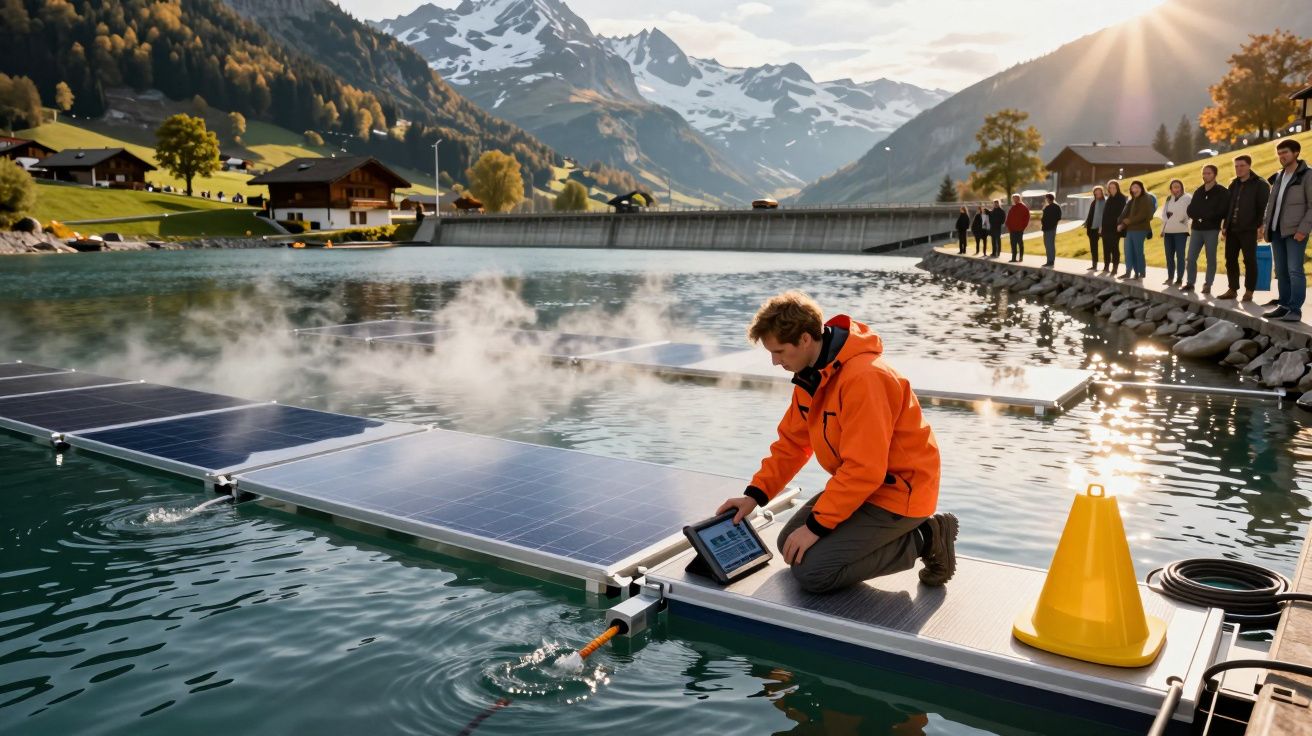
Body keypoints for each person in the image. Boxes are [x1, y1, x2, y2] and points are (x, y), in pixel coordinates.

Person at [716, 292, 956, 594]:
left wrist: (817, 528)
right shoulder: (812, 375)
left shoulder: (865, 379)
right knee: (788, 543)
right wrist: (754, 496)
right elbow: (792, 444)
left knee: (813, 572)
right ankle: (896, 536)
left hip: (901, 493)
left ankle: (926, 537)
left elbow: (864, 468)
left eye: (778, 352)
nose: (775, 362)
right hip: (866, 486)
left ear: (804, 339)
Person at [1260, 138, 1312, 322]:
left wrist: (1303, 229)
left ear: (1296, 153)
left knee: (1294, 270)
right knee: (1281, 271)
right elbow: (1271, 204)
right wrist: (1265, 226)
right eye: (1279, 153)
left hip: (1295, 232)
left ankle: (1295, 310)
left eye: (1285, 153)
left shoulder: (1307, 175)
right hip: (1276, 231)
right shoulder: (1279, 176)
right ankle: (1284, 305)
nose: (1281, 156)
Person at [1219, 155, 1270, 302]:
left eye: (1241, 166)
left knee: (1249, 260)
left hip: (1249, 229)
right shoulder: (1233, 184)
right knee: (1230, 260)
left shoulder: (1260, 184)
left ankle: (1249, 291)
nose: (1238, 169)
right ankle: (1232, 289)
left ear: (1249, 166)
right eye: (1236, 166)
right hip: (1232, 229)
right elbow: (1228, 207)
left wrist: (1260, 227)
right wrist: (1224, 226)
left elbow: (1263, 208)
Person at [1185, 165, 1228, 294]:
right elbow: (1191, 209)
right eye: (1204, 173)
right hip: (1196, 230)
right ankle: (1190, 283)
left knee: (1211, 258)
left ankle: (1208, 284)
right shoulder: (1199, 191)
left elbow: (1222, 210)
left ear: (1215, 174)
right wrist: (1200, 217)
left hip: (1212, 230)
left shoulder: (1222, 191)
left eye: (1208, 173)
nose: (1205, 176)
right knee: (1191, 258)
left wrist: (1203, 216)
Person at [1117, 180, 1153, 280]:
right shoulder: (1131, 200)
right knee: (1128, 251)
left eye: (1137, 187)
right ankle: (1128, 272)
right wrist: (1121, 224)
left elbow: (1144, 215)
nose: (1134, 189)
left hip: (1140, 229)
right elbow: (1125, 214)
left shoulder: (1146, 198)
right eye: (1133, 187)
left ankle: (1140, 273)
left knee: (1138, 252)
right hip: (1130, 230)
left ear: (1141, 188)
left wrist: (1126, 222)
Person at [1160, 179, 1190, 286]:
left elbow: (1188, 213)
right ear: (1171, 189)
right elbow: (1164, 215)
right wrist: (1162, 230)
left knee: (1180, 256)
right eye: (1173, 187)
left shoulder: (1187, 198)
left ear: (1181, 187)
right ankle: (1170, 277)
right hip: (1168, 232)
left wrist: (1182, 219)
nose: (1176, 189)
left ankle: (1180, 278)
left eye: (1178, 186)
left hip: (1181, 231)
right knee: (1169, 256)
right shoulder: (1169, 198)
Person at [1100, 180, 1127, 275]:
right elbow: (1104, 214)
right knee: (1106, 247)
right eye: (1110, 187)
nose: (1112, 189)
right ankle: (1106, 266)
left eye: (1113, 187)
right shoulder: (1109, 199)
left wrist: (1120, 225)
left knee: (1114, 248)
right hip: (1106, 227)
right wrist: (1101, 227)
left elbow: (1122, 214)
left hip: (1115, 228)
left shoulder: (1122, 198)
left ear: (1117, 188)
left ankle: (1115, 268)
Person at [1083, 186, 1106, 269]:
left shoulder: (1104, 202)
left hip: (1098, 228)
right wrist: (1086, 223)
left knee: (1101, 247)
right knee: (1093, 247)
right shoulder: (1093, 202)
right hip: (1091, 227)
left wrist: (1101, 227)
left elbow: (1102, 216)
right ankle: (1094, 265)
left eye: (1099, 192)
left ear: (1102, 192)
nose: (1097, 193)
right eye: (1096, 192)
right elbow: (1091, 214)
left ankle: (1104, 266)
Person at [1005, 194, 1030, 262]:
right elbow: (1008, 218)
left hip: (1020, 229)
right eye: (1013, 199)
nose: (1014, 200)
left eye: (1015, 198)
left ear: (1019, 199)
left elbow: (1027, 218)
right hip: (1012, 229)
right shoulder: (1012, 208)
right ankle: (1013, 258)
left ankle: (1021, 257)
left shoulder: (1024, 208)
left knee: (1020, 243)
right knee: (1013, 244)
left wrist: (1023, 227)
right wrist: (1008, 226)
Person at [1040, 193, 1061, 267]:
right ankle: (1051, 260)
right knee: (1051, 244)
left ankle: (1050, 261)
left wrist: (1047, 223)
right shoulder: (1057, 207)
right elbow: (1059, 217)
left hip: (1048, 228)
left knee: (1048, 245)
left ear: (1048, 199)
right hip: (1052, 228)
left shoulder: (1048, 207)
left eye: (1046, 198)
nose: (1045, 200)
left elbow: (1044, 218)